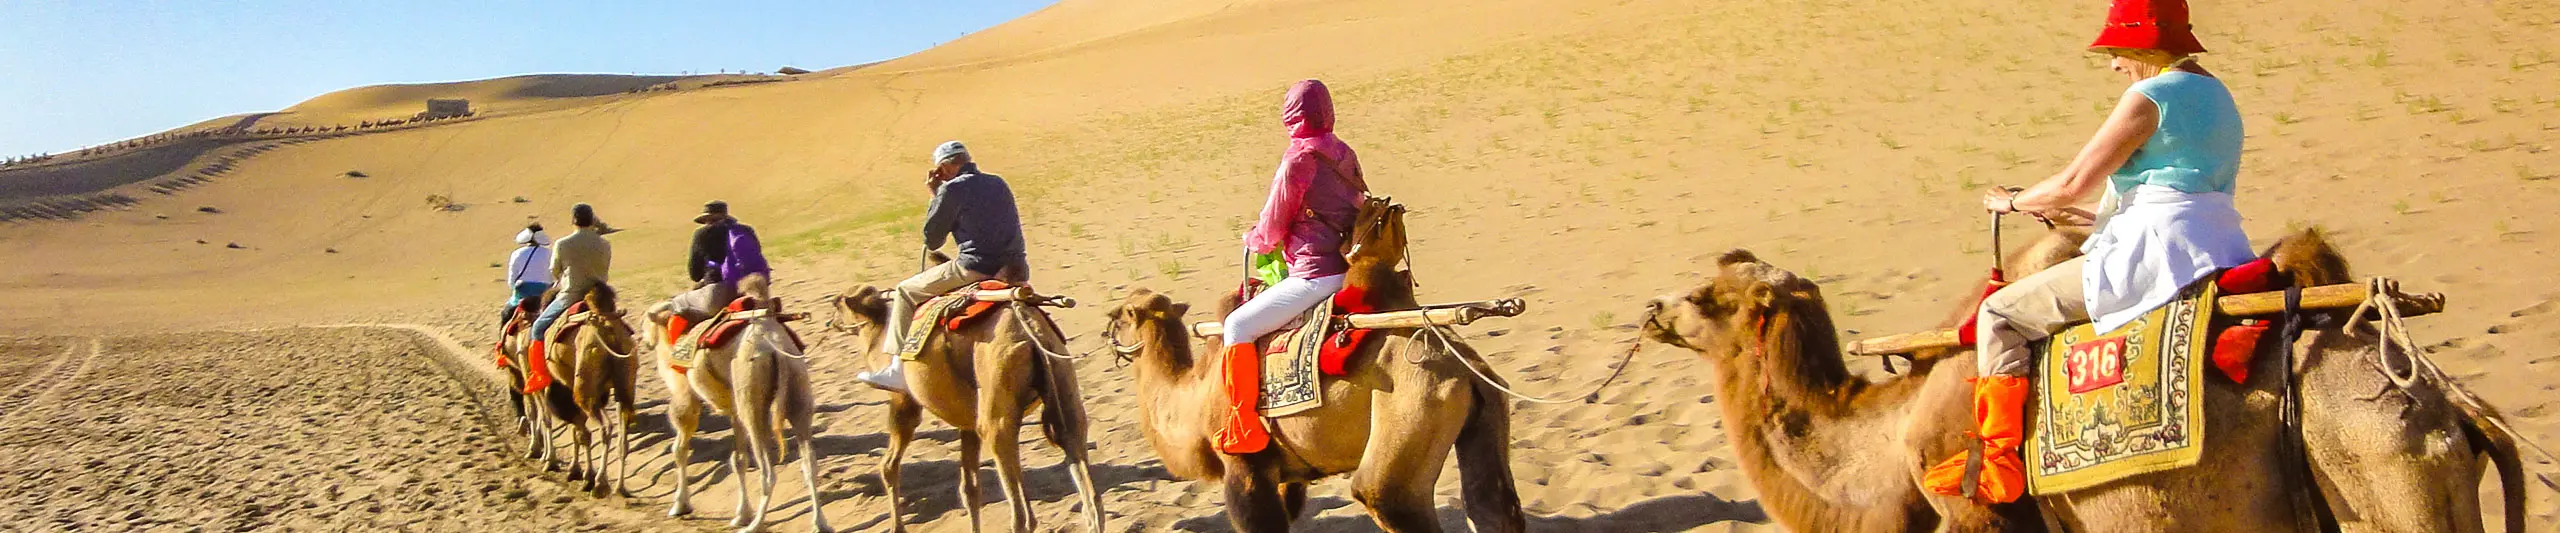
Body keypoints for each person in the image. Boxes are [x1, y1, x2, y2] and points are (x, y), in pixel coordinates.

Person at [1926, 0, 2252, 503]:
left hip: (2156, 253)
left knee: (1998, 314)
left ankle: (1997, 463)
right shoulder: (2215, 92)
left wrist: (2011, 201)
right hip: (2220, 244)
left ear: (2142, 45)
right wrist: (2069, 219)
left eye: (2118, 51)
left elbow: (2073, 182)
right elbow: (2164, 189)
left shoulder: (2150, 94)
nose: (2115, 64)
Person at [1211, 79, 1369, 455]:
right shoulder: (1343, 151)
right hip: (1350, 267)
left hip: (1314, 276)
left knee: (1237, 325)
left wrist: (1255, 239)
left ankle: (1243, 424)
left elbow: (1273, 224)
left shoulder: (1298, 160)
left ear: (1291, 116)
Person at [856, 141, 1030, 393]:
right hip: (1016, 268)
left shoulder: (951, 189)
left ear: (945, 167)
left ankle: (896, 370)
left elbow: (932, 239)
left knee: (905, 290)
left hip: (976, 266)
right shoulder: (998, 182)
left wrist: (936, 193)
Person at [528, 204, 616, 363]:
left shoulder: (563, 244)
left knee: (538, 328)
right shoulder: (605, 244)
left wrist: (562, 279)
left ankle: (539, 374)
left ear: (573, 221)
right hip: (599, 297)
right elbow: (605, 269)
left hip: (570, 295)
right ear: (592, 221)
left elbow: (554, 270)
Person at [670, 201, 770, 323]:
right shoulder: (746, 230)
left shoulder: (701, 234)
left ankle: (680, 342)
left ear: (706, 218)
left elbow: (694, 274)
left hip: (718, 294)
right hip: (751, 291)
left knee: (676, 304)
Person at [501, 223, 554, 327]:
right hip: (543, 293)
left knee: (506, 315)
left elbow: (512, 280)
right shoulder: (549, 253)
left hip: (522, 292)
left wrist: (514, 289)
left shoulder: (517, 253)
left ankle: (501, 340)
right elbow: (553, 276)